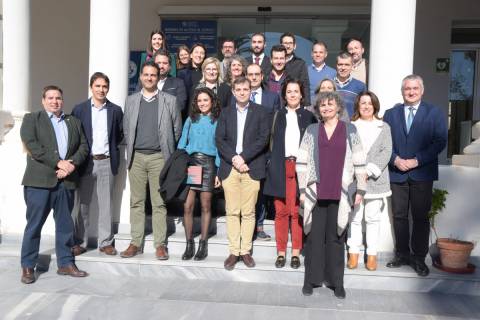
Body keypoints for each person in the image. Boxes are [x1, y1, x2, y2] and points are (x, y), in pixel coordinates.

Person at [296, 91, 367, 299]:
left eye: (330, 104)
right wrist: (302, 190)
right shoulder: (311, 129)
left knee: (336, 239)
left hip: (341, 191)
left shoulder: (349, 129)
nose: (326, 108)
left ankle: (337, 282)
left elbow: (359, 159)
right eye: (322, 105)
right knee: (314, 238)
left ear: (338, 107)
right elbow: (302, 161)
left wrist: (360, 189)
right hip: (315, 191)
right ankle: (311, 280)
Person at [20, 85, 89, 284]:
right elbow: (32, 144)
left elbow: (84, 147)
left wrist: (70, 165)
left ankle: (66, 263)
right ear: (43, 100)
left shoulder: (73, 121)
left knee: (65, 226)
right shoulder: (32, 119)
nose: (54, 101)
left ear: (62, 101)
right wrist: (58, 162)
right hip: (39, 182)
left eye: (58, 98)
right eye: (50, 98)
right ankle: (27, 266)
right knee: (34, 226)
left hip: (66, 182)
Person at [383, 74, 447, 277]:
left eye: (414, 88)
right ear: (402, 91)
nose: (410, 92)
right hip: (397, 172)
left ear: (422, 90)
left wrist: (416, 160)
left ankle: (418, 257)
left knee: (420, 217)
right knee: (399, 216)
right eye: (407, 89)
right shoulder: (390, 114)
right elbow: (383, 143)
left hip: (422, 172)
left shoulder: (435, 113)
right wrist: (395, 160)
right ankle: (402, 254)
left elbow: (439, 141)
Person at [121, 61, 182, 260]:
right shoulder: (131, 101)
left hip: (159, 157)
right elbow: (126, 128)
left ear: (158, 77)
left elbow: (176, 130)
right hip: (136, 157)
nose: (149, 78)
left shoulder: (169, 100)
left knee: (159, 203)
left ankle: (160, 244)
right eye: (146, 74)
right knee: (137, 201)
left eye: (153, 75)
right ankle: (135, 242)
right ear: (140, 77)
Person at [215, 77, 270, 271]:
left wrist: (243, 157)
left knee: (248, 212)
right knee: (232, 211)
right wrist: (234, 158)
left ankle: (245, 251)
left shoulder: (261, 112)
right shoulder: (225, 112)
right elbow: (219, 139)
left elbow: (263, 139)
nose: (241, 92)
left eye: (245, 89)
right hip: (230, 168)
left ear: (250, 91)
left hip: (251, 168)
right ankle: (234, 251)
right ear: (233, 91)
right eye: (238, 89)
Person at [264, 79, 317, 269]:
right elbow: (268, 141)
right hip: (280, 166)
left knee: (296, 212)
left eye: (296, 91)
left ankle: (295, 252)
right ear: (284, 95)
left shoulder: (309, 117)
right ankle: (280, 252)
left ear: (302, 95)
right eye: (289, 91)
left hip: (300, 169)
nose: (293, 94)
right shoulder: (277, 115)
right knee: (281, 212)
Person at [71, 73, 124, 256]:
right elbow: (74, 136)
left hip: (106, 162)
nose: (101, 90)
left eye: (104, 86)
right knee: (83, 204)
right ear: (91, 87)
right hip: (86, 163)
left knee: (106, 204)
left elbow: (119, 134)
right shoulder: (79, 109)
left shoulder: (116, 110)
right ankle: (80, 241)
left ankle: (105, 242)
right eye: (98, 86)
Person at [346, 91, 392, 271]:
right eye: (363, 103)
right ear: (358, 105)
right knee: (355, 218)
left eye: (369, 103)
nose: (366, 106)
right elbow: (346, 151)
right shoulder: (350, 126)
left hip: (375, 180)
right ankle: (353, 254)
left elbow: (386, 152)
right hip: (354, 181)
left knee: (372, 218)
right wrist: (357, 173)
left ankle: (371, 255)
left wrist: (368, 171)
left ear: (375, 106)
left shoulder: (384, 127)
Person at [177, 88, 222, 261]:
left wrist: (218, 170)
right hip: (193, 164)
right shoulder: (191, 119)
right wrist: (180, 161)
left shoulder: (217, 120)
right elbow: (182, 141)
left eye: (206, 100)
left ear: (212, 101)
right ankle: (189, 244)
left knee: (205, 205)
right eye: (199, 101)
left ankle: (203, 243)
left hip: (209, 164)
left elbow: (219, 146)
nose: (202, 103)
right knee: (188, 205)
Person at [245, 63, 281, 241]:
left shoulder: (272, 97)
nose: (253, 77)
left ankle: (258, 226)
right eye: (250, 74)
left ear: (261, 76)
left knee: (259, 192)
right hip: (242, 153)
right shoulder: (238, 96)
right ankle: (244, 226)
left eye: (256, 74)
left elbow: (275, 126)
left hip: (264, 152)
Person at [153, 49, 188, 115]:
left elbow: (180, 106)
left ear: (170, 66)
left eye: (165, 63)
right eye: (158, 63)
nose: (161, 66)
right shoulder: (144, 82)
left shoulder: (178, 83)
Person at [280, 32, 310, 105]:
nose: (288, 46)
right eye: (285, 43)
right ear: (281, 45)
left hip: (294, 104)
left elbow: (305, 85)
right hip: (276, 103)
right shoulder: (274, 62)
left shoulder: (300, 64)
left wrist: (306, 104)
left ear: (294, 46)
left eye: (290, 43)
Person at [334, 52, 366, 117]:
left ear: (352, 66)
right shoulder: (327, 85)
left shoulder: (360, 86)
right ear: (336, 65)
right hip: (330, 125)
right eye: (340, 64)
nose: (343, 68)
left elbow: (364, 108)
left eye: (347, 65)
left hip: (352, 125)